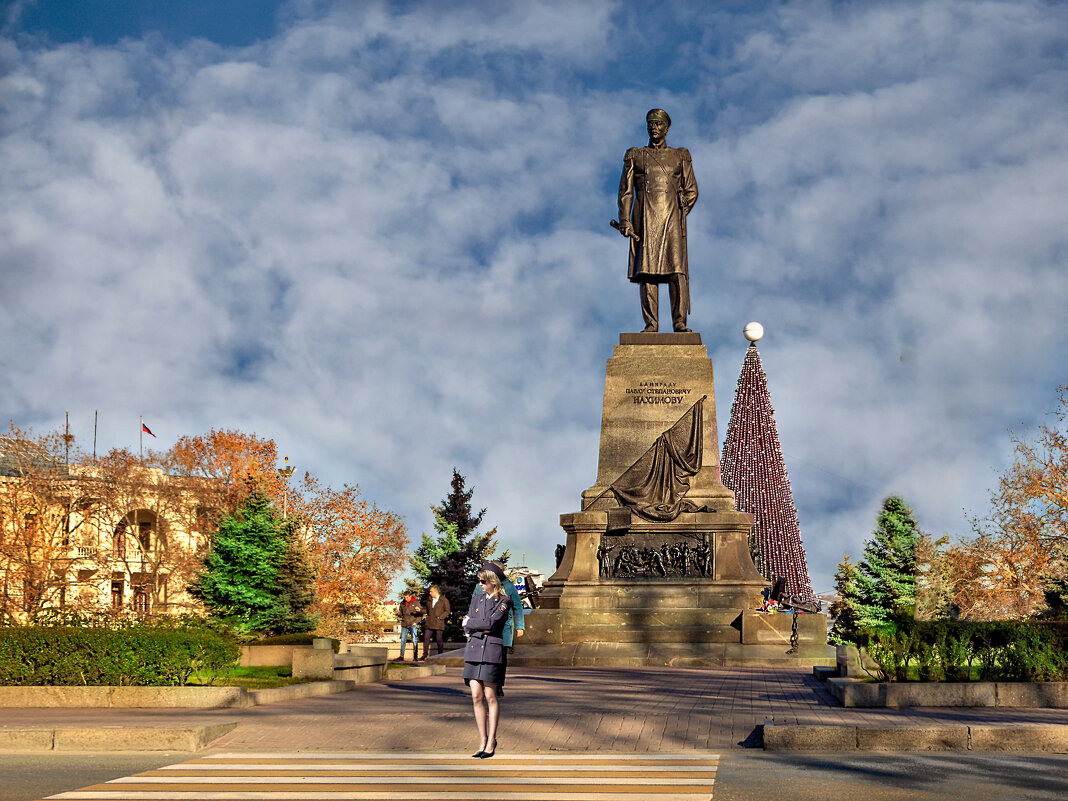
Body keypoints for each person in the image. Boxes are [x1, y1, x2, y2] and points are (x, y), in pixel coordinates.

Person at [615, 108, 698, 333]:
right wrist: (625, 219)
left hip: (671, 219)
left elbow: (691, 190)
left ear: (667, 128)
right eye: (651, 123)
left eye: (659, 124)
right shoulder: (636, 155)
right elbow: (626, 191)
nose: (654, 127)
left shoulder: (680, 155)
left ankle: (679, 322)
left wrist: (682, 207)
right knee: (647, 271)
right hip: (645, 220)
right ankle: (651, 324)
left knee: (676, 271)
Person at [463, 567, 513, 759]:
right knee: (476, 696)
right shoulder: (476, 599)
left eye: (484, 581)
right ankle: (482, 740)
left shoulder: (504, 601)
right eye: (480, 581)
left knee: (490, 696)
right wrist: (476, 624)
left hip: (491, 652)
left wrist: (473, 624)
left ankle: (491, 741)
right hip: (474, 650)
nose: (481, 585)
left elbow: (491, 624)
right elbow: (471, 622)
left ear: (493, 581)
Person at [470, 561, 524, 695]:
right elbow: (473, 607)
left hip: (504, 629)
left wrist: (520, 627)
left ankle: (498, 685)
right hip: (483, 629)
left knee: (500, 659)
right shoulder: (479, 587)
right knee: (483, 658)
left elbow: (517, 606)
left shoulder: (509, 587)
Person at [421, 584, 451, 659]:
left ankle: (440, 655)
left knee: (439, 639)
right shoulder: (429, 600)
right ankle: (425, 655)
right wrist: (420, 610)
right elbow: (427, 610)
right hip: (429, 622)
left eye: (431, 591)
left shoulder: (444, 600)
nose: (430, 593)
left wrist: (440, 617)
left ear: (436, 591)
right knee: (426, 638)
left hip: (438, 623)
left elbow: (447, 611)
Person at [396, 590, 423, 662]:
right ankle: (401, 656)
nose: (406, 599)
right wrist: (398, 613)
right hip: (404, 624)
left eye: (407, 597)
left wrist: (416, 622)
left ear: (410, 596)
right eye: (404, 597)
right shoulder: (402, 603)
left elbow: (420, 614)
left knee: (414, 640)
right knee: (403, 640)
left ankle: (415, 656)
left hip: (413, 624)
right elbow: (401, 614)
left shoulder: (416, 603)